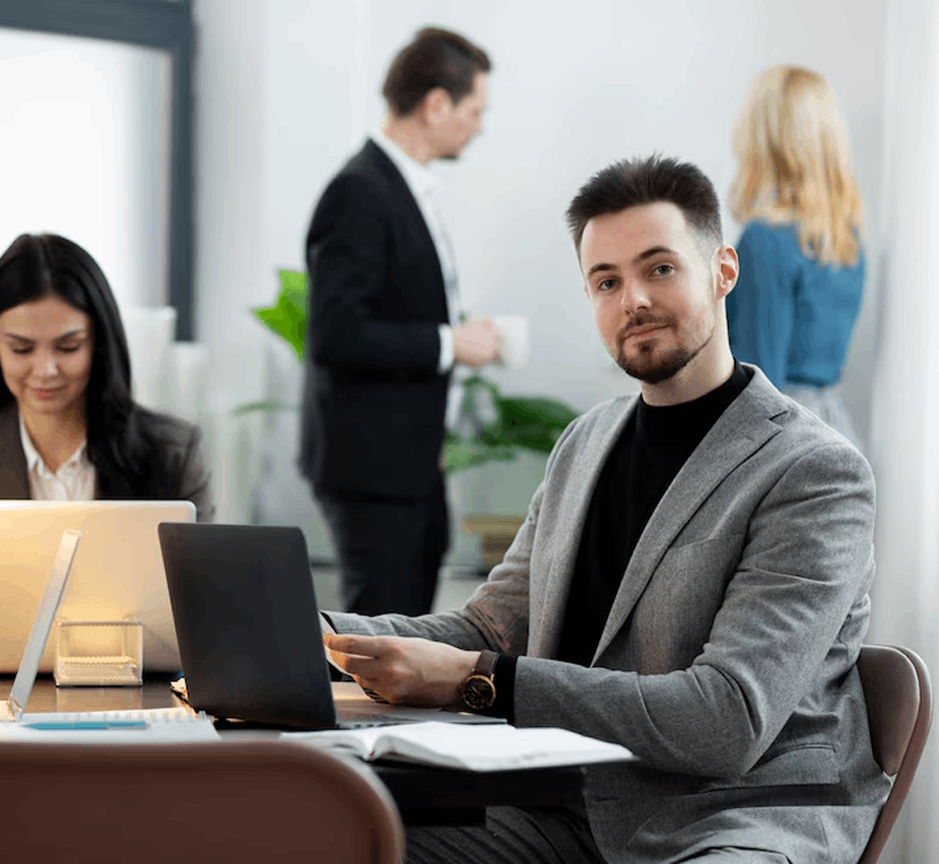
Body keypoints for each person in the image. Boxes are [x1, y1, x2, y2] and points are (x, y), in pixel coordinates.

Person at [320, 156, 890, 863]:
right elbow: (485, 625)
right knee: (332, 831)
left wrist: (481, 681)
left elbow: (725, 719)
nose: (633, 301)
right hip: (571, 810)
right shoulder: (584, 443)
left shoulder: (813, 472)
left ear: (722, 272)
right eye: (606, 281)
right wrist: (310, 633)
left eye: (659, 269)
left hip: (734, 821)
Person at [300, 27, 501, 617]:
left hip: (407, 466)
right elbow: (335, 334)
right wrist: (449, 343)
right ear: (436, 104)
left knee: (408, 633)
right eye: (475, 110)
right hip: (373, 472)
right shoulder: (360, 191)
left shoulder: (398, 186)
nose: (480, 125)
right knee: (380, 641)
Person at [0, 233, 214, 522]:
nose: (46, 370)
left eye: (68, 347)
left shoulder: (173, 454)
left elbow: (196, 568)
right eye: (21, 349)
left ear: (99, 344)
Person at [727, 64, 865, 447]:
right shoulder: (845, 239)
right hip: (835, 429)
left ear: (762, 140)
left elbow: (759, 385)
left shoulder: (764, 241)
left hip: (782, 438)